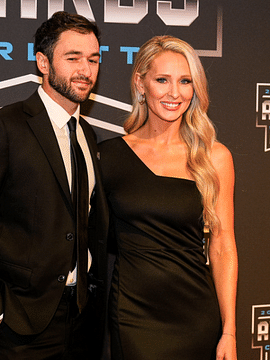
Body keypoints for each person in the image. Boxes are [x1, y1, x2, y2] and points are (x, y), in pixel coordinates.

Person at [0, 12, 109, 360]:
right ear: (43, 62)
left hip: (81, 319)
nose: (86, 70)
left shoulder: (87, 134)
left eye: (93, 59)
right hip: (20, 324)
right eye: (73, 57)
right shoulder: (4, 127)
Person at [99, 35, 238, 360]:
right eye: (162, 80)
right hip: (133, 314)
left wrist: (229, 329)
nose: (175, 92)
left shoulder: (214, 157)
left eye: (185, 81)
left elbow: (223, 245)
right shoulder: (109, 156)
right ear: (141, 83)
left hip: (195, 314)